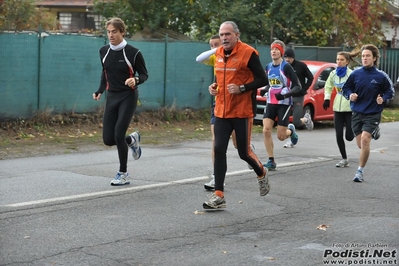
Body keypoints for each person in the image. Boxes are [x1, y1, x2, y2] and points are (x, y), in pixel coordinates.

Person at [203, 21, 269, 209]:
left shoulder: (249, 53)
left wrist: (242, 88)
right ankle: (219, 195)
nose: (224, 38)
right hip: (222, 110)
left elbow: (262, 80)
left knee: (243, 152)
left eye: (228, 34)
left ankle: (261, 173)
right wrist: (214, 87)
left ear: (237, 35)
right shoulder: (218, 54)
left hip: (242, 111)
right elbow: (219, 77)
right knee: (218, 149)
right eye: (222, 34)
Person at [93, 17, 148, 186]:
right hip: (112, 96)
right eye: (108, 32)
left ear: (122, 32)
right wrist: (100, 90)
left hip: (128, 96)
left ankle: (123, 173)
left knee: (118, 133)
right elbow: (105, 73)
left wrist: (136, 80)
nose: (111, 35)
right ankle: (131, 140)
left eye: (114, 32)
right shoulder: (103, 51)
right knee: (108, 139)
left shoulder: (133, 52)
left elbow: (144, 74)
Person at [196, 34, 255, 190]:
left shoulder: (237, 56)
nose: (215, 46)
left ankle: (249, 152)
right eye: (212, 44)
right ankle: (217, 179)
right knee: (216, 143)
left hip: (235, 106)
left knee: (237, 144)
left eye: (218, 43)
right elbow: (199, 58)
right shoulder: (216, 56)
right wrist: (215, 50)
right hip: (219, 106)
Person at [342, 44, 394, 182]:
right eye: (363, 56)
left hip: (373, 112)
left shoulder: (381, 76)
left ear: (374, 58)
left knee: (365, 140)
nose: (365, 58)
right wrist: (350, 95)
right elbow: (346, 88)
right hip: (357, 112)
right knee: (361, 145)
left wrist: (383, 98)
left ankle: (360, 171)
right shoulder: (355, 73)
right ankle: (374, 132)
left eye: (368, 56)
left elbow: (391, 91)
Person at [262, 40, 302, 171]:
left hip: (283, 104)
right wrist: (265, 89)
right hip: (271, 102)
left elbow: (297, 86)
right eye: (272, 49)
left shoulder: (286, 67)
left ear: (281, 52)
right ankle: (271, 160)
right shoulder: (268, 67)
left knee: (281, 136)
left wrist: (284, 95)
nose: (273, 51)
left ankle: (290, 132)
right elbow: (271, 83)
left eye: (276, 49)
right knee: (266, 130)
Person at [323, 51, 358, 168]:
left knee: (349, 136)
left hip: (349, 108)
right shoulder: (333, 73)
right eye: (337, 59)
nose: (339, 61)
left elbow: (357, 87)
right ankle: (344, 158)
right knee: (338, 135)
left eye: (342, 59)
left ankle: (354, 131)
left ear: (347, 61)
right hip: (337, 107)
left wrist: (355, 97)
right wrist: (326, 98)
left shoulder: (351, 74)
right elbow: (328, 86)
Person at [283, 48, 314, 148]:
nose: (287, 59)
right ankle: (290, 140)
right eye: (286, 57)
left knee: (296, 121)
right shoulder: (282, 66)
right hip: (286, 96)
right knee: (284, 121)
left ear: (293, 57)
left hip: (298, 96)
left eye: (289, 58)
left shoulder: (301, 66)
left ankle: (306, 118)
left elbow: (310, 77)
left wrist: (303, 89)